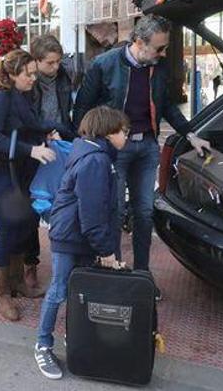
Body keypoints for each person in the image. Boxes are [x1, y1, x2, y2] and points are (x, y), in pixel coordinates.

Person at [73, 14, 211, 275]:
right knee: (113, 212)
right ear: (139, 42)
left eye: (166, 47)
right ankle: (115, 271)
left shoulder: (158, 67)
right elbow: (82, 109)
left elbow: (167, 105)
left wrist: (191, 135)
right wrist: (87, 147)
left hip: (147, 148)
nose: (163, 53)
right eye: (159, 48)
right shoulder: (103, 65)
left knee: (145, 213)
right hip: (114, 150)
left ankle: (141, 274)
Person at [34, 105, 128, 380]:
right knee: (60, 289)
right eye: (123, 132)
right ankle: (42, 343)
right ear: (108, 132)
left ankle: (74, 337)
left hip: (78, 233)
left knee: (78, 290)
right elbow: (92, 213)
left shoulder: (93, 153)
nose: (127, 137)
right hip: (71, 236)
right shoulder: (95, 161)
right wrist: (107, 251)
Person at [0, 49, 66, 321]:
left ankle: (18, 282)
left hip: (20, 176)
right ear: (12, 75)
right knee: (7, 231)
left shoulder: (22, 96)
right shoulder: (0, 99)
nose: (33, 78)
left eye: (33, 73)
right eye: (27, 74)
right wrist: (31, 150)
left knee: (23, 227)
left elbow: (30, 125)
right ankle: (2, 294)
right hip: (1, 177)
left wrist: (47, 132)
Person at [24, 34, 76, 290]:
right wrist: (43, 132)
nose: (56, 67)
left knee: (62, 205)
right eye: (50, 63)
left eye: (58, 61)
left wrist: (66, 133)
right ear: (36, 62)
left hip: (60, 143)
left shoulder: (65, 76)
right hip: (34, 148)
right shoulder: (27, 82)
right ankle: (30, 264)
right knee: (32, 208)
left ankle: (65, 262)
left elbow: (68, 111)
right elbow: (25, 119)